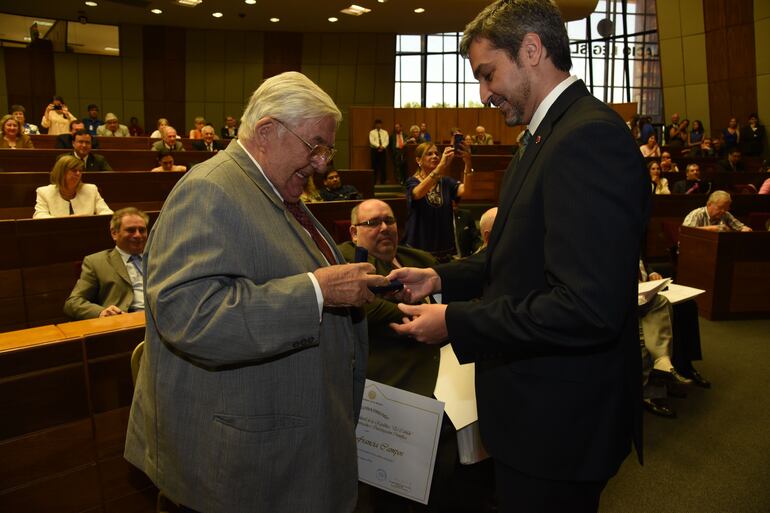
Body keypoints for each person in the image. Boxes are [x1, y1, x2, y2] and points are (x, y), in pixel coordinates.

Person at [388, 2, 649, 511]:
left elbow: (585, 307)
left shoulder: (587, 138)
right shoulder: (541, 138)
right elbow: (511, 256)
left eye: (488, 75)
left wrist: (454, 322)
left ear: (532, 50)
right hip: (532, 416)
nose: (483, 94)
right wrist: (437, 278)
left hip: (559, 425)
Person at [124, 71, 387, 513]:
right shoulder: (210, 189)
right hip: (240, 468)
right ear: (267, 131)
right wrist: (317, 292)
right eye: (315, 146)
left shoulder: (273, 189)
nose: (322, 163)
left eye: (327, 149)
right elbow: (190, 317)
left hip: (286, 452)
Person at [64, 208, 149, 319]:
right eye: (131, 230)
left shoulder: (158, 257)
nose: (138, 235)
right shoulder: (96, 262)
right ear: (114, 233)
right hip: (124, 323)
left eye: (142, 230)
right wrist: (101, 312)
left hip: (161, 319)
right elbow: (73, 303)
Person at [403, 141, 470, 262]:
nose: (435, 156)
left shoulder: (445, 181)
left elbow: (467, 191)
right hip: (420, 243)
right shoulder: (412, 181)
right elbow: (418, 193)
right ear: (418, 160)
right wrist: (441, 167)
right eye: (429, 154)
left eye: (436, 153)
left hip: (442, 243)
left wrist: (468, 162)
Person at [33, 155, 113, 218]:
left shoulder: (91, 189)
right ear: (61, 172)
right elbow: (39, 216)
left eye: (80, 171)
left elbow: (107, 213)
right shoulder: (44, 192)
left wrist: (89, 219)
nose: (78, 174)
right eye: (74, 170)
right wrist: (66, 220)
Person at [682, 190, 752, 232]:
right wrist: (713, 228)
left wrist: (745, 229)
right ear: (709, 204)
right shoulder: (696, 214)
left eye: (726, 208)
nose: (723, 211)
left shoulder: (725, 214)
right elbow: (686, 232)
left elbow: (740, 227)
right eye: (720, 207)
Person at [368, 119, 389, 184]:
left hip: (383, 150)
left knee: (383, 166)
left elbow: (387, 141)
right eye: (377, 124)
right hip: (374, 150)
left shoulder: (385, 132)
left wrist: (383, 146)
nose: (378, 125)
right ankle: (373, 182)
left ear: (381, 124)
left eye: (379, 124)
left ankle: (383, 181)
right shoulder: (372, 132)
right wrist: (378, 146)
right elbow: (371, 141)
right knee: (374, 166)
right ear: (375, 125)